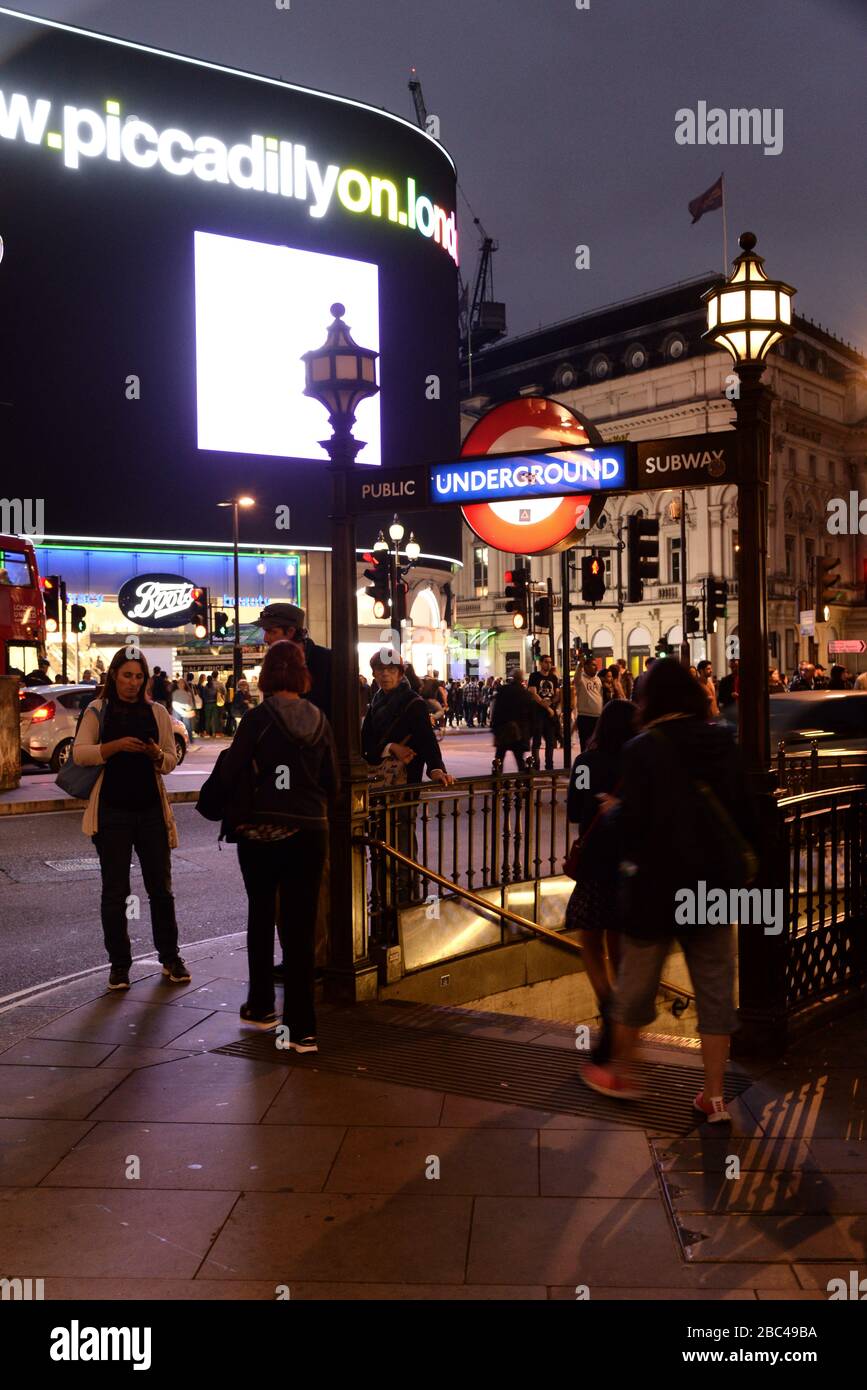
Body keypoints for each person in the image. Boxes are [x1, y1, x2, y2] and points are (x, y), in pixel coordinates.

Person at [582, 660, 754, 1121]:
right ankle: (714, 1095)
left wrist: (615, 810)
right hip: (714, 888)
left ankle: (623, 1071)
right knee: (716, 990)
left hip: (657, 889)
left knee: (636, 985)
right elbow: (742, 808)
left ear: (651, 701)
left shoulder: (643, 749)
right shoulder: (722, 740)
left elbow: (633, 824)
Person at [218, 641, 338, 1045]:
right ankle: (304, 1030)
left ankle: (262, 1006)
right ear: (302, 674)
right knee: (301, 929)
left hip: (261, 831)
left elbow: (233, 768)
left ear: (268, 674)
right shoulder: (320, 720)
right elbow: (332, 783)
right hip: (310, 830)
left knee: (262, 916)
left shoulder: (257, 719)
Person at [71, 646, 190, 992]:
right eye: (127, 676)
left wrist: (156, 753)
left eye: (139, 677)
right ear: (114, 676)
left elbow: (169, 760)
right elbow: (80, 753)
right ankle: (119, 966)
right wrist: (116, 746)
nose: (133, 683)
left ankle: (170, 957)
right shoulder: (98, 710)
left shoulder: (157, 713)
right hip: (112, 812)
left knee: (161, 890)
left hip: (151, 812)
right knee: (115, 892)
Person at [566, 699, 637, 1063]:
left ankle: (606, 1000)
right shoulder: (637, 763)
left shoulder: (586, 763)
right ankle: (622, 1004)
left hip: (594, 861)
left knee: (590, 938)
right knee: (618, 937)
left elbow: (575, 811)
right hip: (627, 862)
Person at [257, 602, 332, 720]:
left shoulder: (326, 660)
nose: (265, 638)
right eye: (265, 632)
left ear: (291, 631)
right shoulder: (273, 663)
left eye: (272, 632)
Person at [490, 669, 535, 773]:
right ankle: (524, 782)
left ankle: (497, 782)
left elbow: (497, 711)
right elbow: (531, 716)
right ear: (522, 679)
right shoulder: (526, 694)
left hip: (504, 729)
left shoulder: (503, 690)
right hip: (520, 731)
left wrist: (495, 729)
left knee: (499, 758)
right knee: (520, 760)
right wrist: (529, 733)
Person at [528, 655, 561, 771]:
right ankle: (535, 766)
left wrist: (551, 702)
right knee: (536, 741)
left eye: (550, 662)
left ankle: (549, 766)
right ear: (541, 663)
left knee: (550, 741)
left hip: (550, 714)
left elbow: (557, 694)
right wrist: (547, 706)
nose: (549, 664)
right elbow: (533, 693)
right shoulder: (534, 676)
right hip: (538, 713)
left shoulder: (553, 678)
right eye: (546, 662)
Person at [574, 657, 603, 752]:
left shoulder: (598, 679)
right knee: (585, 744)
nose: (596, 667)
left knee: (597, 744)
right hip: (586, 717)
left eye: (596, 665)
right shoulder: (581, 679)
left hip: (598, 716)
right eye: (593, 665)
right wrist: (579, 666)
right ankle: (585, 765)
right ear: (586, 667)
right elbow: (576, 677)